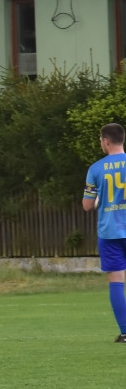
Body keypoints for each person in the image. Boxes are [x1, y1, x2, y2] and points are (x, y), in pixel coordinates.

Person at [82, 122, 126, 343]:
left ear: (105, 141)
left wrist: (99, 197)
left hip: (110, 231)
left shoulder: (96, 169)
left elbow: (87, 206)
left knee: (117, 280)